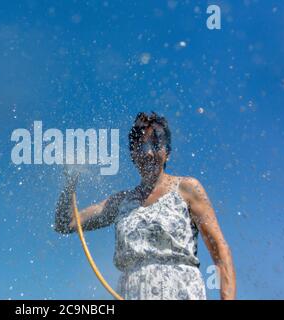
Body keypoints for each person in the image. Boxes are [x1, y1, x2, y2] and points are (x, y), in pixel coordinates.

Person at [54, 111, 236, 300]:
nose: (148, 153)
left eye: (156, 145)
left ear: (168, 153)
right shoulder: (120, 202)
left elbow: (221, 251)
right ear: (133, 154)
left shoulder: (188, 189)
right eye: (140, 146)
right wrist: (70, 180)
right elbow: (65, 224)